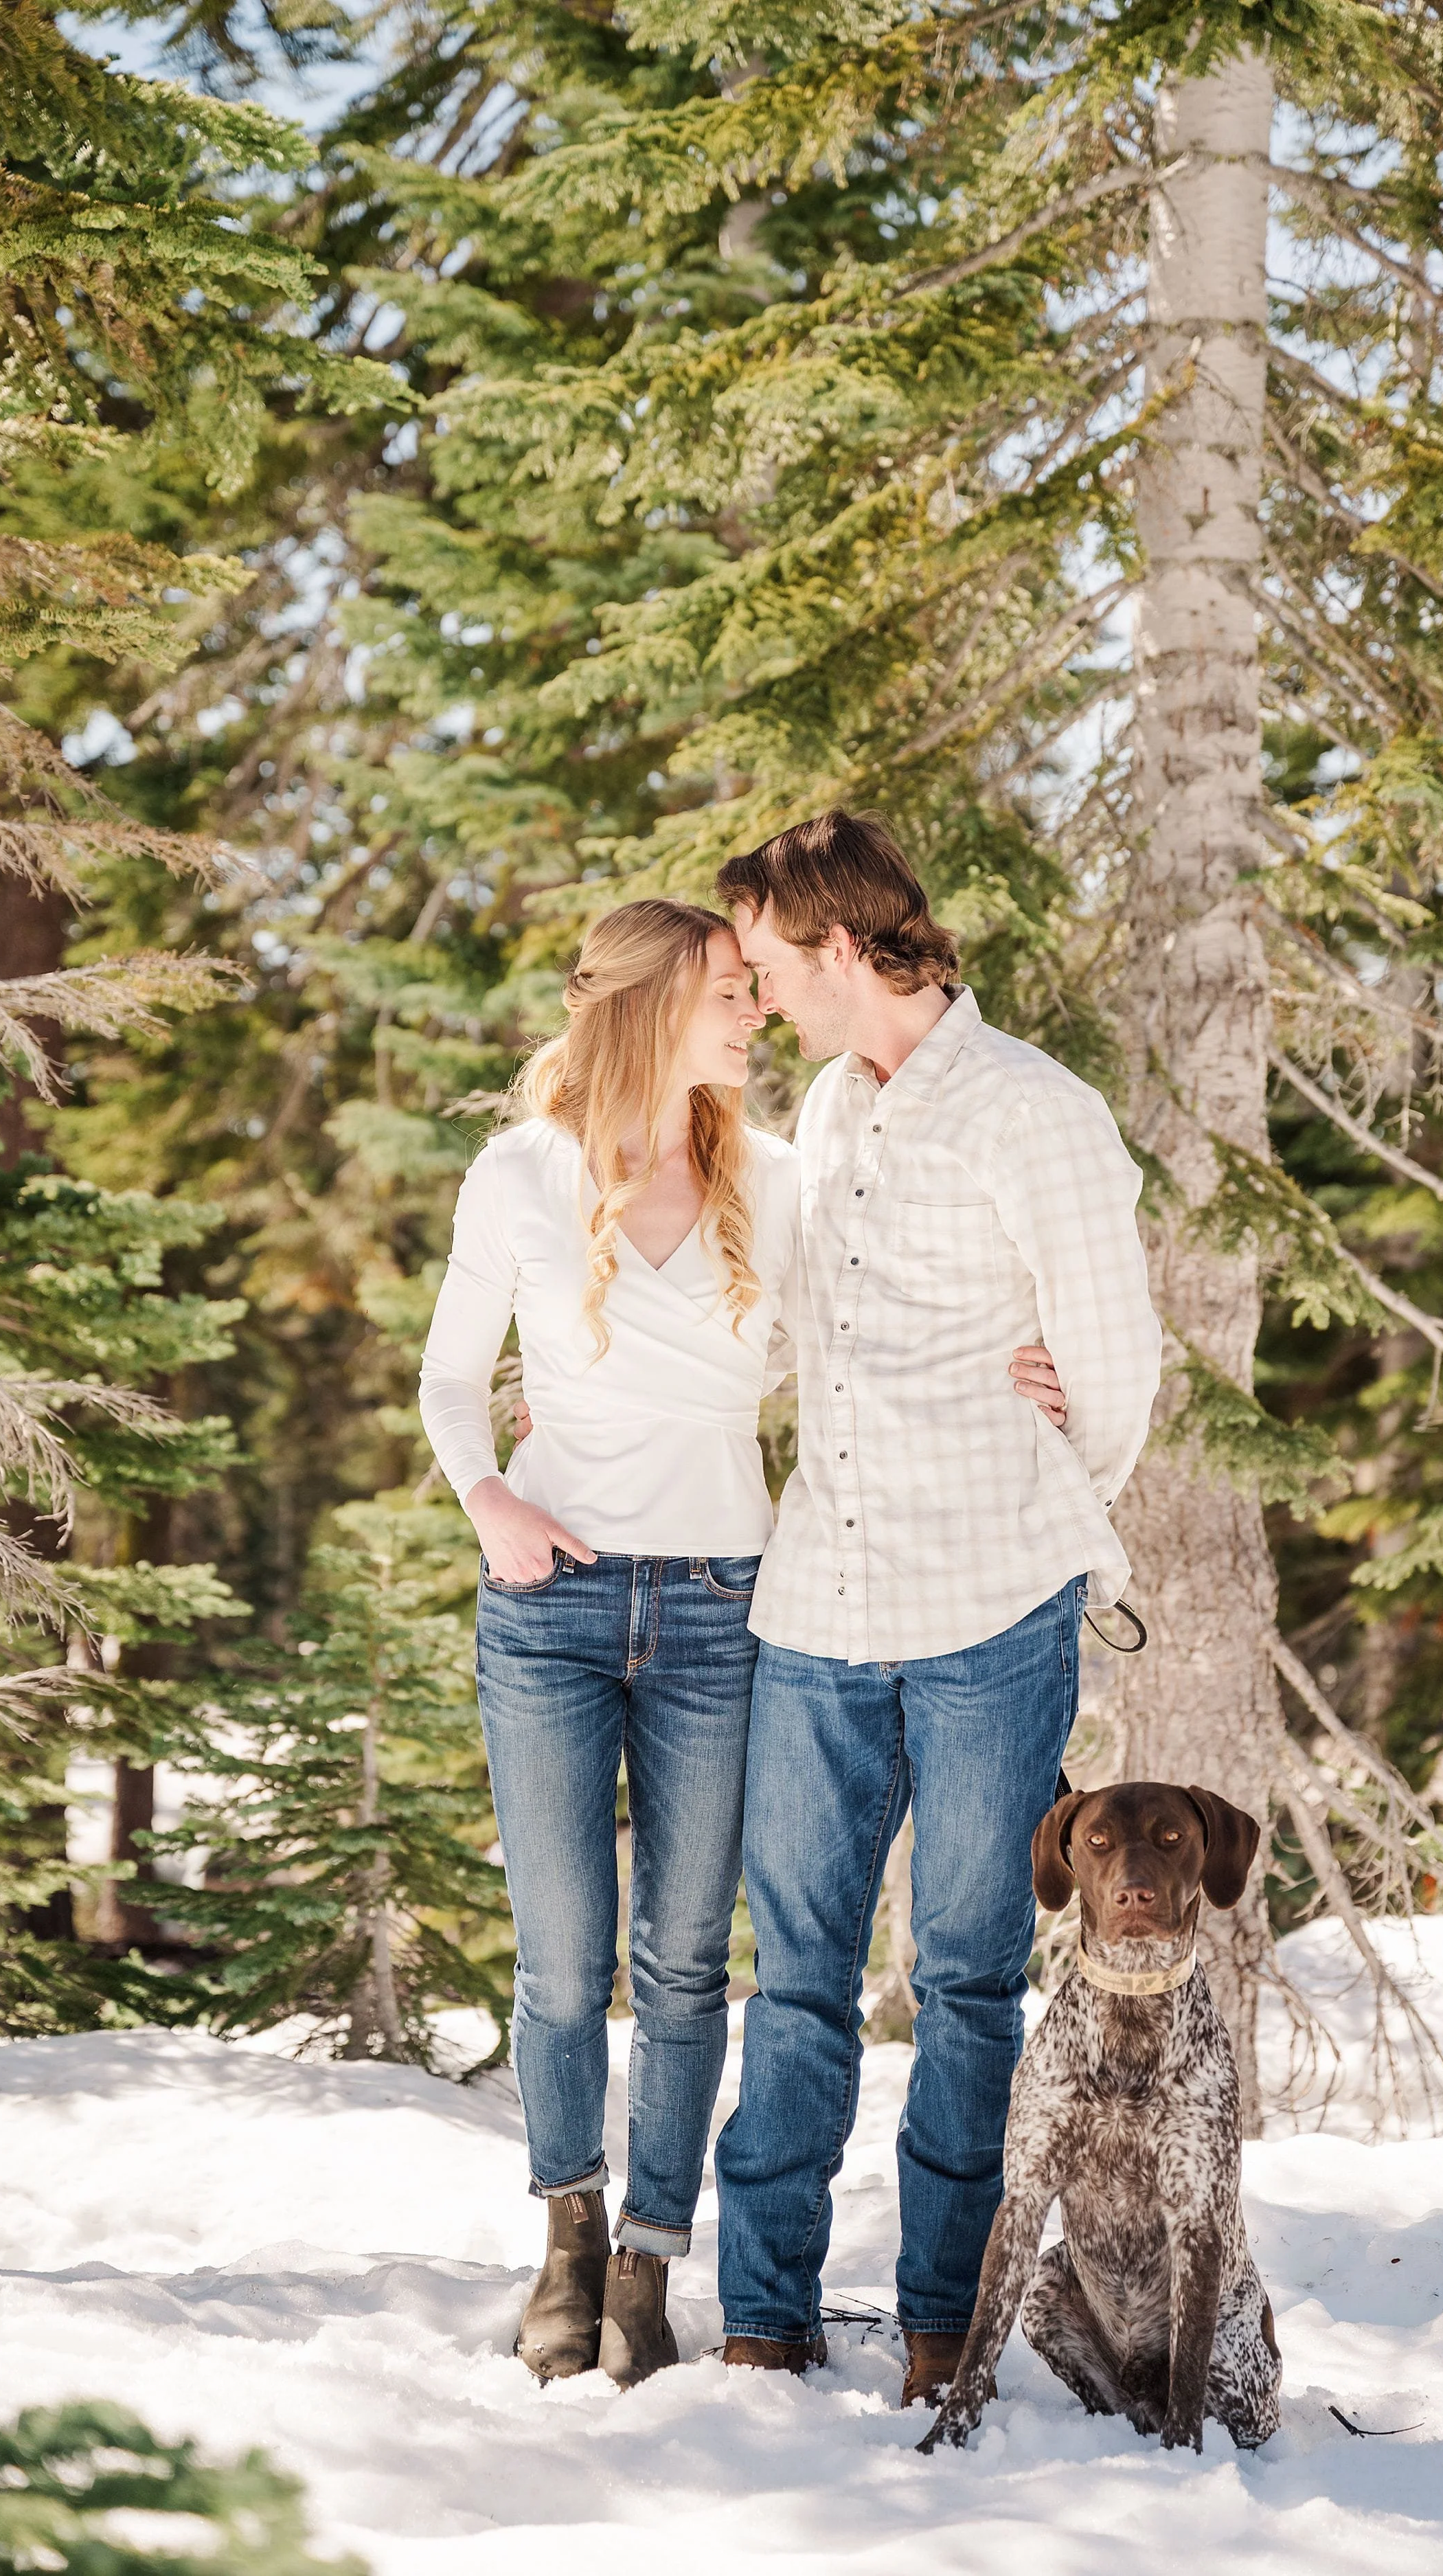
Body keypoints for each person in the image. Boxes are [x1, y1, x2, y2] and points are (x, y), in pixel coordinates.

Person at [419, 894, 1060, 2395]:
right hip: (551, 1607)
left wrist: (1026, 1360)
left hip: (721, 1606)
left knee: (688, 1963)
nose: (754, 1008)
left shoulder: (771, 1180)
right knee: (565, 1961)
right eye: (727, 986)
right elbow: (455, 1379)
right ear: (649, 999)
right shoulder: (519, 1173)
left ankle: (650, 2260)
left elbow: (870, 1327)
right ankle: (567, 2239)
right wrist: (487, 1498)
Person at [710, 810, 1163, 2408]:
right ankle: (762, 2314)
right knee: (802, 1974)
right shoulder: (831, 1111)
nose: (753, 995)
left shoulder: (1033, 1112)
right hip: (815, 1613)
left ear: (840, 948)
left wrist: (1037, 1470)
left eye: (764, 963)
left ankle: (933, 2322)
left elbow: (1111, 1371)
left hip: (984, 1615)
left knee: (968, 1978)